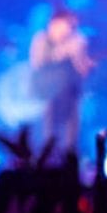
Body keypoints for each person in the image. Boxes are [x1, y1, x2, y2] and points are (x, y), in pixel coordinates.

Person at [29, 9, 93, 152]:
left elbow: (81, 69)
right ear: (55, 23)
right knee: (48, 132)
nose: (70, 29)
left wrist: (85, 63)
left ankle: (68, 156)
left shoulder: (77, 40)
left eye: (73, 26)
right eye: (68, 24)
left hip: (69, 94)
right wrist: (63, 52)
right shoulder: (41, 39)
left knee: (71, 132)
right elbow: (38, 63)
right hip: (47, 94)